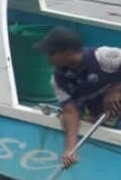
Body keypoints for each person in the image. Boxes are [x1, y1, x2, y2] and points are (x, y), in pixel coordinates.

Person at [34, 26, 121, 167]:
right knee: (65, 118)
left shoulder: (103, 56)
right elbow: (70, 112)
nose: (48, 57)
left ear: (68, 53)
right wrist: (70, 149)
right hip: (101, 113)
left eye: (51, 52)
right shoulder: (58, 80)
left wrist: (116, 90)